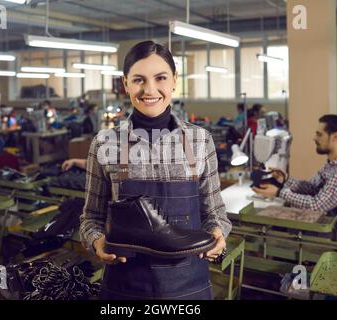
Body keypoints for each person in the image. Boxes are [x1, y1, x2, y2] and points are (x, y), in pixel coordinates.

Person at [79, 41, 231, 300]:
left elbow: (215, 212)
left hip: (188, 288)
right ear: (125, 83)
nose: (150, 90)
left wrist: (217, 232)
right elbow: (90, 218)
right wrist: (97, 242)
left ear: (174, 80)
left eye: (160, 78)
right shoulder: (105, 143)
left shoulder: (200, 140)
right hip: (125, 288)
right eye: (139, 80)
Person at [253, 114, 337, 217]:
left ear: (335, 137)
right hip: (335, 222)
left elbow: (316, 205)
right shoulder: (333, 164)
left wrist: (279, 192)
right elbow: (311, 187)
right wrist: (285, 179)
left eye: (319, 134)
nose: (314, 138)